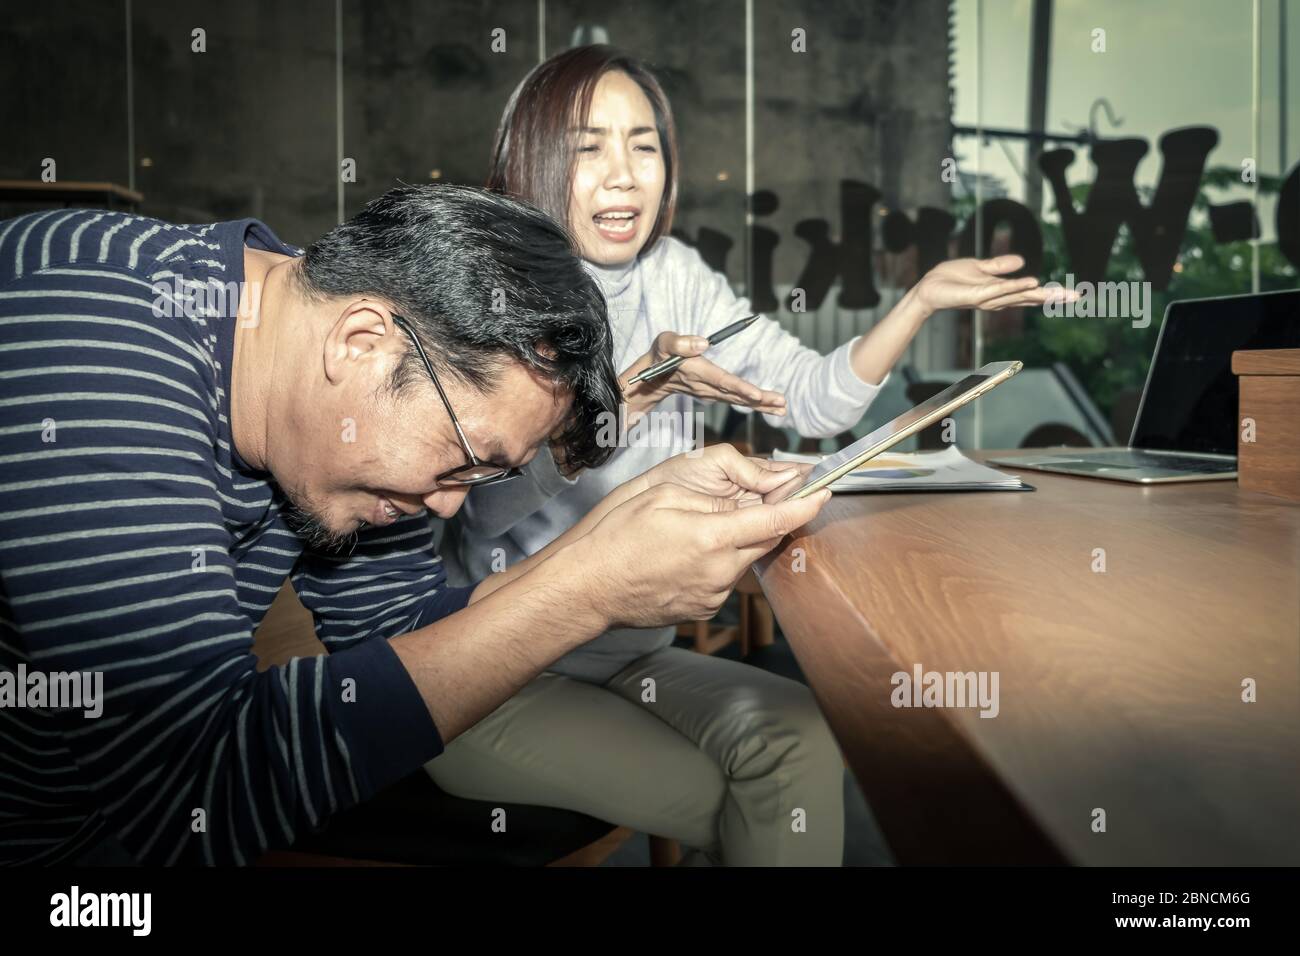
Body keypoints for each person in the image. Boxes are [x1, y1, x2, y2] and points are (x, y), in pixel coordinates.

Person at [0, 183, 828, 865]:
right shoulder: (90, 335)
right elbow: (191, 788)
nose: (449, 505)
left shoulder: (339, 368)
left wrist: (615, 535)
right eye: (465, 456)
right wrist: (585, 589)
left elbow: (392, 631)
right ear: (361, 342)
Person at [433, 45, 1069, 865]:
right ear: (533, 160)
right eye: (589, 147)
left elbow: (810, 398)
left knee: (805, 734)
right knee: (763, 797)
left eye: (645, 144)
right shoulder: (486, 292)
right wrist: (626, 401)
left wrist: (918, 303)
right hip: (492, 671)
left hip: (630, 657)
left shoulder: (673, 273)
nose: (624, 175)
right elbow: (476, 508)